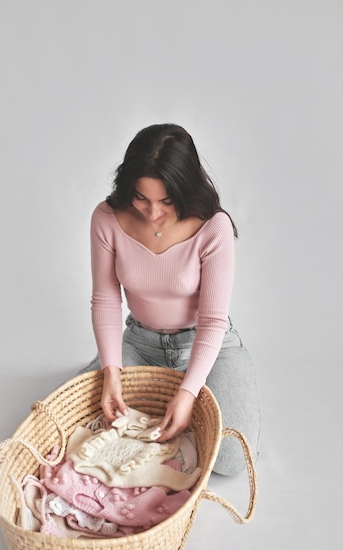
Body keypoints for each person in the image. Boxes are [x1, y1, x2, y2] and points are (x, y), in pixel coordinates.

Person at [78, 123, 260, 476]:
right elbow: (104, 300)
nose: (153, 213)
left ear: (185, 189)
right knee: (81, 431)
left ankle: (190, 399)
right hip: (140, 343)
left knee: (231, 463)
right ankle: (167, 405)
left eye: (166, 201)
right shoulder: (106, 218)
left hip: (209, 344)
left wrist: (189, 391)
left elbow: (212, 321)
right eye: (141, 197)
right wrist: (111, 371)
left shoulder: (213, 227)